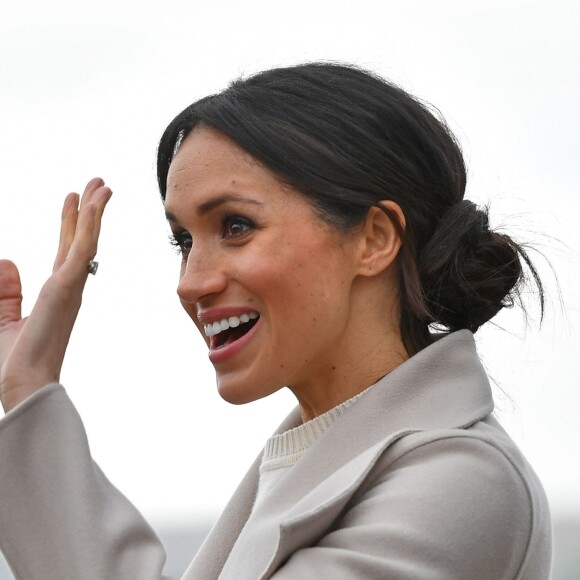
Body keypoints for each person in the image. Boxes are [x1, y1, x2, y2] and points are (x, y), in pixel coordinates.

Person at [0, 63, 552, 579]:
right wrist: (28, 385)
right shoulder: (315, 459)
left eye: (236, 226)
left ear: (375, 238)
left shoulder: (459, 480)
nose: (191, 283)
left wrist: (31, 399)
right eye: (184, 241)